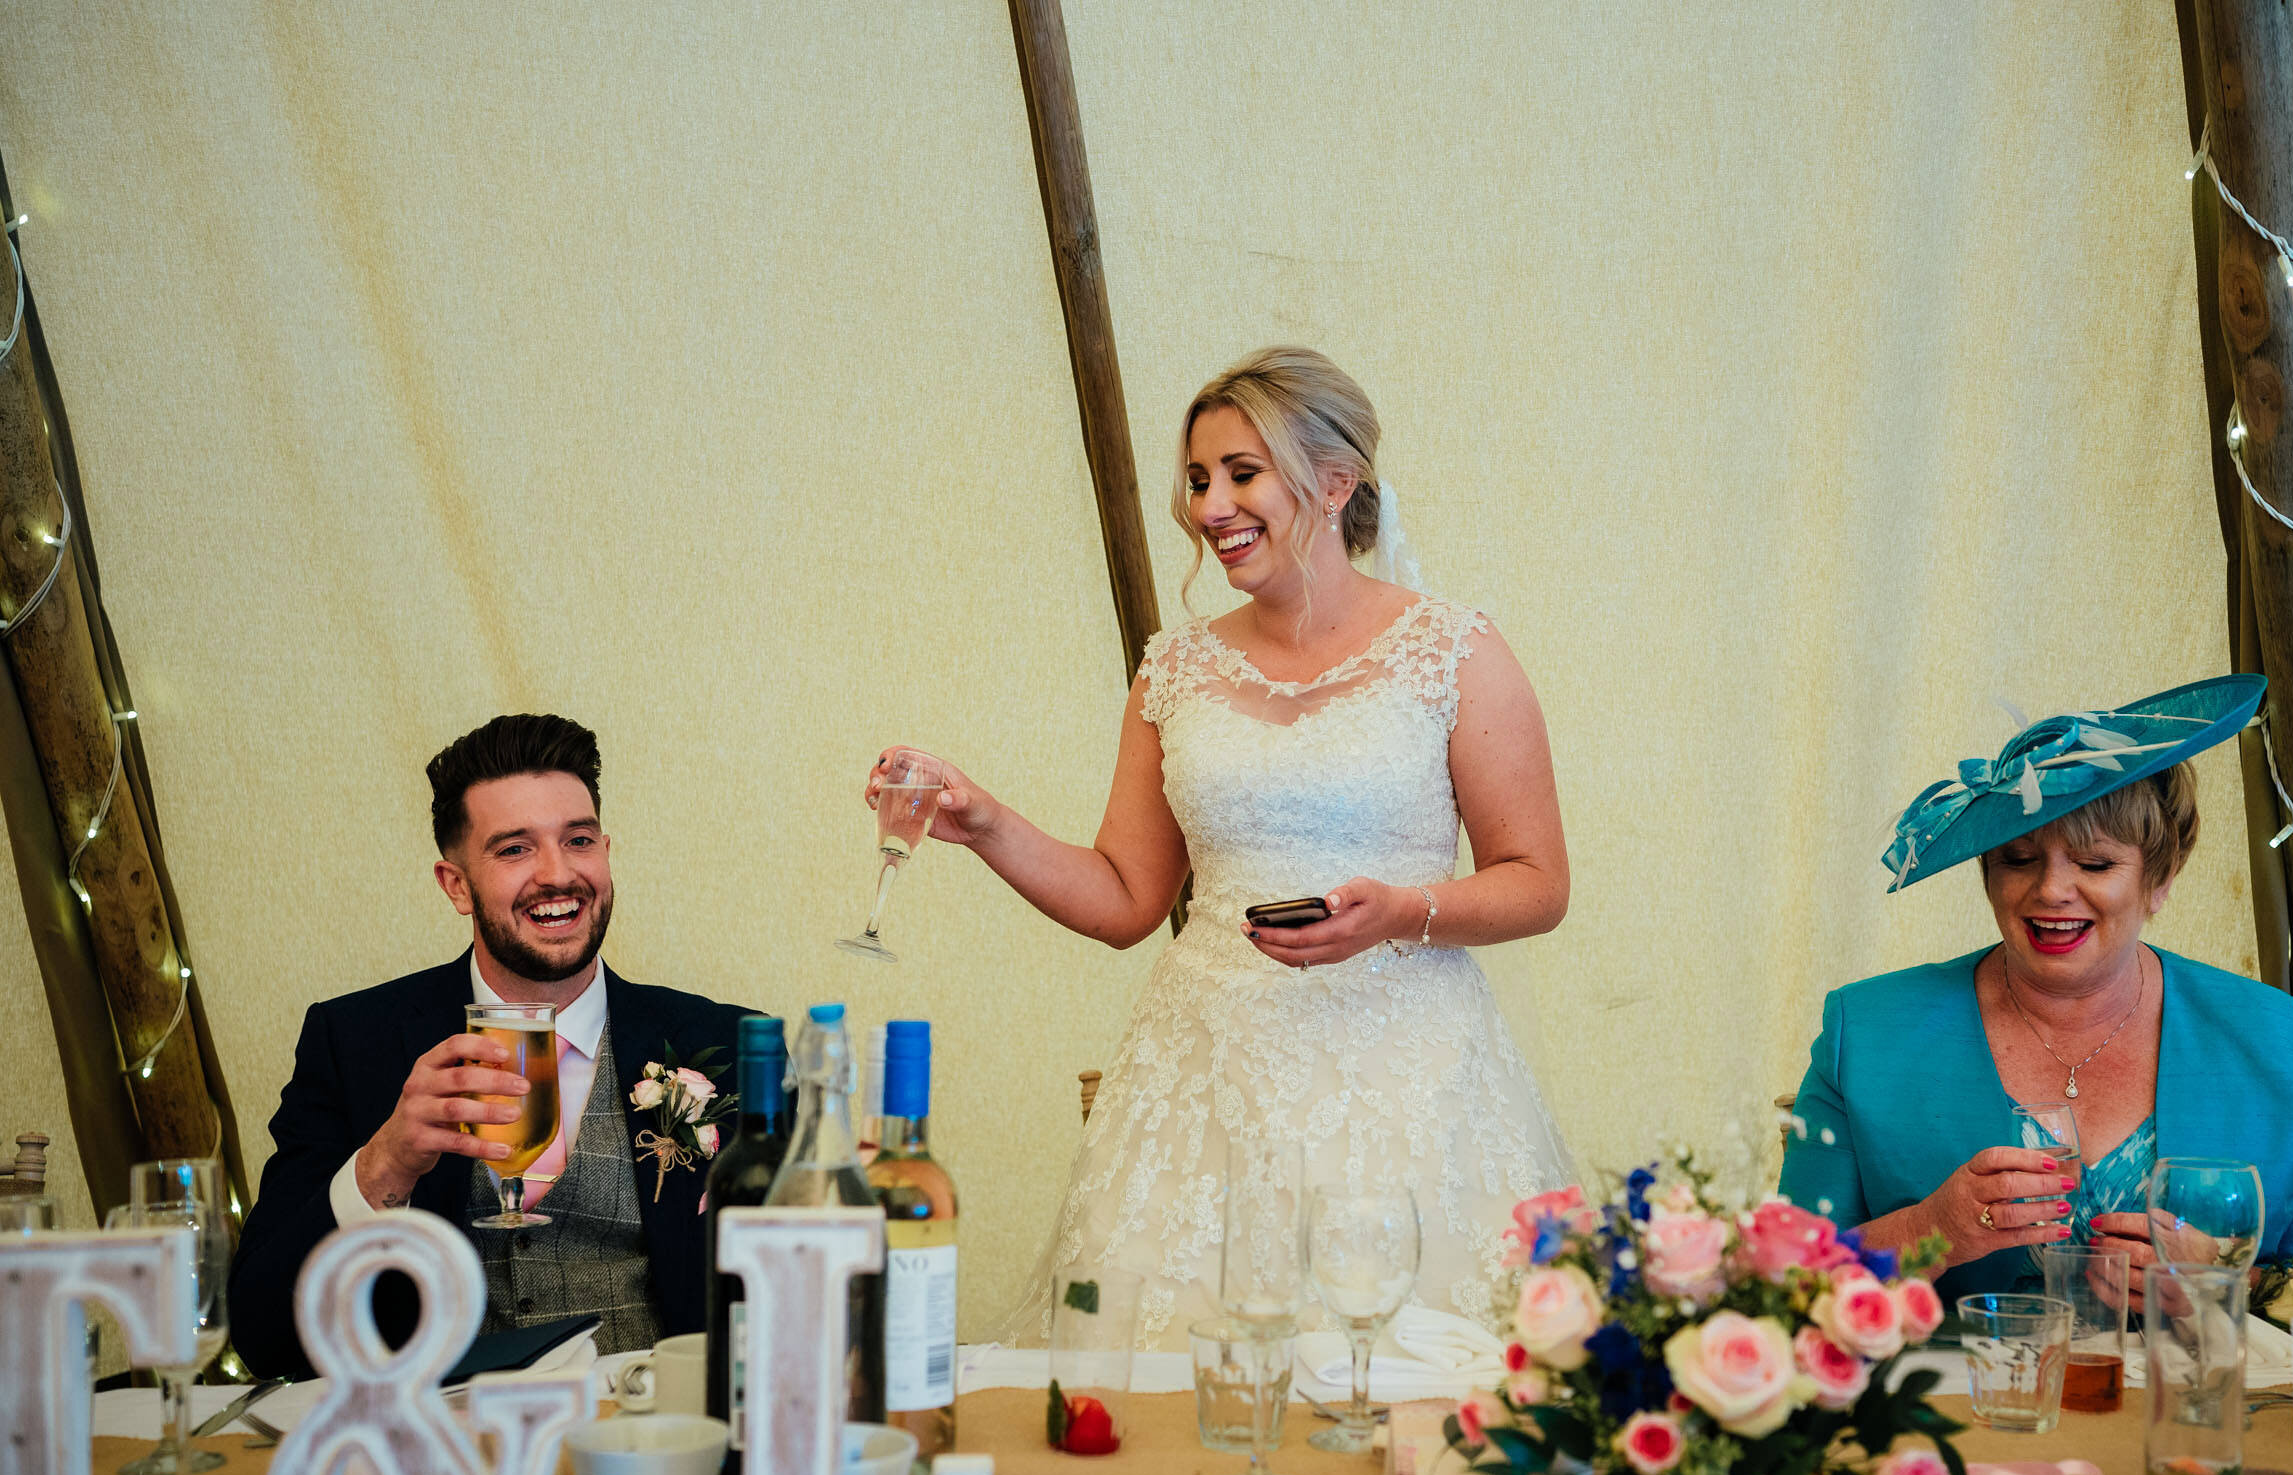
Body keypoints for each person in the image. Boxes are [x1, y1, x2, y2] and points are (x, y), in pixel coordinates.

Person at [864, 346, 1577, 1347]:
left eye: (1242, 474)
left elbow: (1536, 882)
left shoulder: (1453, 650)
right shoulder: (1175, 669)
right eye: (1198, 479)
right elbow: (1123, 898)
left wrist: (1399, 914)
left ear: (1334, 482)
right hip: (1203, 1086)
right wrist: (982, 820)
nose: (1209, 506)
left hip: (1409, 1081)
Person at [1776, 676, 2293, 1316]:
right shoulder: (1867, 1031)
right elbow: (1778, 1283)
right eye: (2018, 858)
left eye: (2095, 865)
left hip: (2192, 1411)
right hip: (1965, 1412)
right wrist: (1930, 1232)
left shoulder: (2269, 1033)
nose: (2051, 890)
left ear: (2159, 879)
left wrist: (2228, 1283)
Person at [231, 715, 749, 1379]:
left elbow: (809, 1289)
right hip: (438, 1457)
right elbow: (262, 1330)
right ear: (455, 884)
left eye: (578, 840)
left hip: (654, 1447)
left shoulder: (727, 1045)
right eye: (514, 849)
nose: (558, 874)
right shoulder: (353, 1041)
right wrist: (383, 1164)